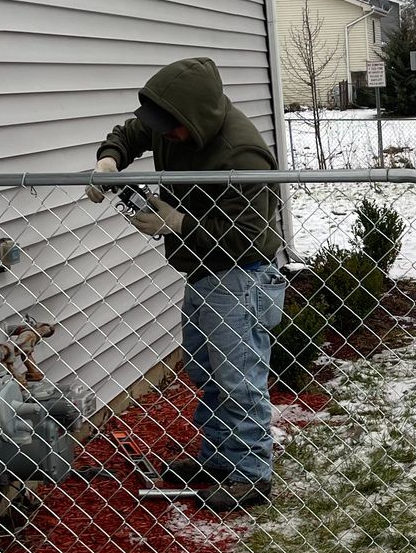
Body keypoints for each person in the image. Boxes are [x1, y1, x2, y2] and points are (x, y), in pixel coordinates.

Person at [88, 58, 285, 510]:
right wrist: (109, 160)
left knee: (239, 377)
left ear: (194, 119)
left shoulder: (242, 153)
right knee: (207, 371)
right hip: (202, 270)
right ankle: (219, 458)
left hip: (242, 273)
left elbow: (249, 233)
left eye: (173, 129)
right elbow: (133, 132)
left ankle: (251, 473)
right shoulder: (172, 118)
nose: (167, 136)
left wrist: (178, 222)